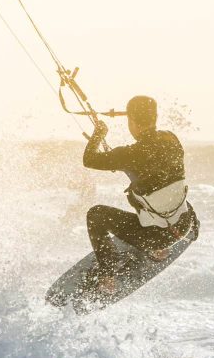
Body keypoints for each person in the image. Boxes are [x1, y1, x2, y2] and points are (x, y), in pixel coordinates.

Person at [82, 95, 198, 295]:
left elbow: (89, 159)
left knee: (96, 215)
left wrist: (98, 134)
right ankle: (180, 236)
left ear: (132, 122)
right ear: (155, 117)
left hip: (155, 237)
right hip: (184, 224)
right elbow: (151, 165)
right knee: (164, 186)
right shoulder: (171, 138)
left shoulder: (130, 154)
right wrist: (123, 163)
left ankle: (108, 275)